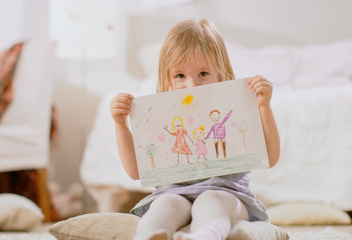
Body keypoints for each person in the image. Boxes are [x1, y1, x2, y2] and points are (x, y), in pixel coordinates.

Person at [110, 19, 280, 240]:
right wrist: (120, 124)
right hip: (173, 193)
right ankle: (147, 236)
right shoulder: (161, 114)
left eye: (203, 74)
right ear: (168, 80)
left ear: (221, 72)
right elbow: (135, 171)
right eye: (180, 76)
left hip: (229, 196)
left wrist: (264, 107)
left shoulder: (236, 106)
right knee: (165, 203)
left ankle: (203, 236)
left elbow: (271, 157)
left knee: (211, 199)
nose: (192, 85)